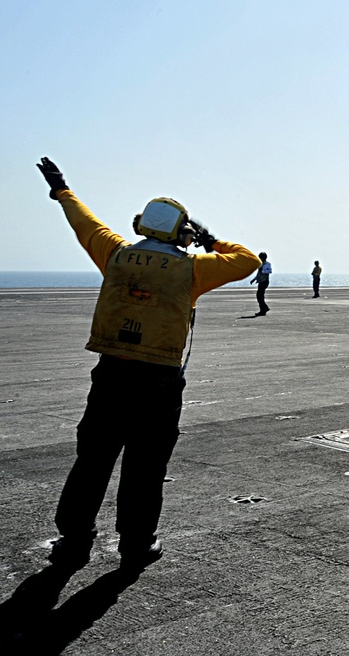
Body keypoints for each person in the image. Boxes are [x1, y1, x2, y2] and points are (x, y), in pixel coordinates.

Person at [36, 157, 260, 571]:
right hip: (158, 380)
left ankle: (73, 543)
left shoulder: (115, 254)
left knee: (92, 461)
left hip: (111, 373)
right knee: (146, 465)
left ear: (141, 225)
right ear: (182, 233)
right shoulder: (192, 268)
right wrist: (209, 239)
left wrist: (61, 188)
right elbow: (249, 260)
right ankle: (136, 544)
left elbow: (84, 222)